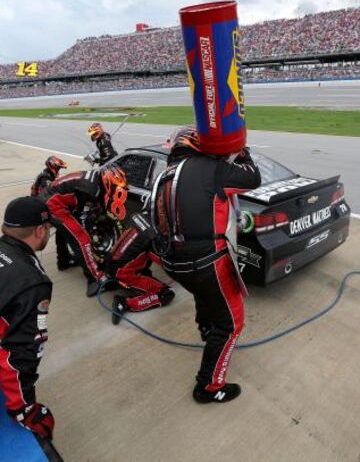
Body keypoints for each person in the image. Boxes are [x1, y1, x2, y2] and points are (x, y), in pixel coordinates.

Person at [152, 127, 261, 404]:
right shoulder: (210, 168)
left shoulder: (162, 176)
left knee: (203, 294)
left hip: (172, 262)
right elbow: (253, 178)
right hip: (207, 261)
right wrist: (241, 151)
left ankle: (206, 329)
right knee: (232, 324)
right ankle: (209, 387)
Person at [0, 196, 55, 439]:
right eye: (49, 229)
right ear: (40, 230)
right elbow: (24, 350)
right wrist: (24, 408)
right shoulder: (34, 285)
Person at [40, 164, 127, 297]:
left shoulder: (95, 179)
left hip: (51, 197)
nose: (116, 190)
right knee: (82, 239)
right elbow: (82, 218)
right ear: (108, 181)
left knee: (65, 230)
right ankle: (95, 279)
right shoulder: (90, 189)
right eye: (115, 187)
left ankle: (63, 261)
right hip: (52, 204)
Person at [105, 212, 175, 315]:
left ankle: (115, 282)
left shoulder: (138, 214)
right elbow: (170, 265)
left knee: (140, 257)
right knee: (166, 294)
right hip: (123, 274)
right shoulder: (154, 238)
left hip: (111, 262)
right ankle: (125, 303)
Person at [30, 156, 76, 271]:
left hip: (39, 203)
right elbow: (49, 195)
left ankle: (64, 259)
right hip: (39, 207)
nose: (59, 170)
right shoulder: (46, 179)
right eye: (59, 168)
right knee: (62, 228)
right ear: (53, 166)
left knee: (61, 231)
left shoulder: (47, 174)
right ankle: (63, 260)